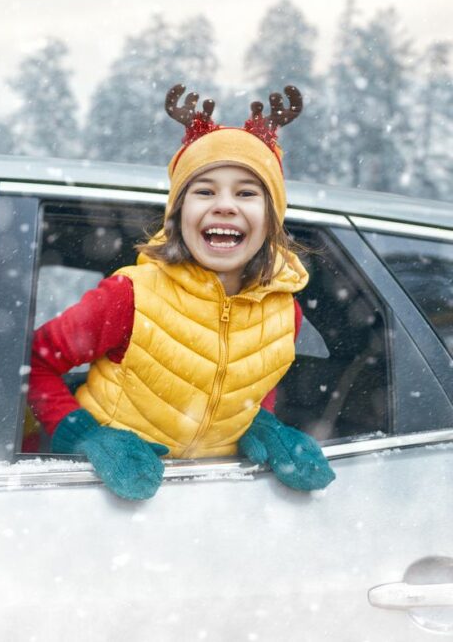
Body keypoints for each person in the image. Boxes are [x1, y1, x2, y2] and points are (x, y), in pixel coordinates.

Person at [28, 84, 335, 501]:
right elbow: (34, 362)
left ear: (271, 219)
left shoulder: (284, 311)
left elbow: (260, 377)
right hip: (90, 498)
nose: (225, 205)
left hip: (206, 501)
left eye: (246, 193)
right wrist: (84, 436)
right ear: (179, 214)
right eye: (204, 191)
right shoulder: (130, 296)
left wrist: (259, 424)